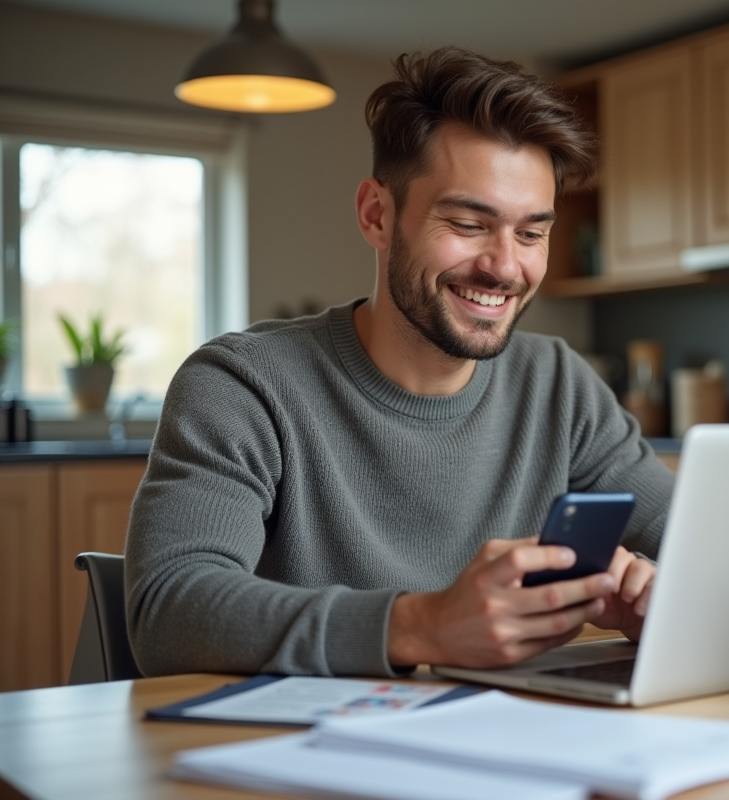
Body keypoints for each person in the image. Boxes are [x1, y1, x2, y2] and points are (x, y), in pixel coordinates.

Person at [124, 47, 675, 678]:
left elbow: (700, 543)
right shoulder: (242, 386)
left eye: (531, 234)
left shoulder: (559, 384)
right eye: (468, 223)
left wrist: (662, 596)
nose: (504, 266)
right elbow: (168, 612)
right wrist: (422, 626)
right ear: (377, 215)